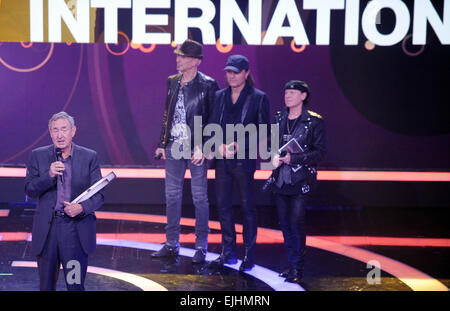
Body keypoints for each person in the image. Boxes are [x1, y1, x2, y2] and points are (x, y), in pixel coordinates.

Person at [153, 39, 219, 264]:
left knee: (200, 197)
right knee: (172, 195)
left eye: (182, 56)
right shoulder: (172, 81)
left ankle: (201, 247)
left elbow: (214, 119)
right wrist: (162, 142)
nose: (177, 59)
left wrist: (205, 147)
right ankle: (172, 243)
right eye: (177, 56)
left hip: (196, 147)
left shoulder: (209, 85)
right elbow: (167, 114)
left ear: (195, 61)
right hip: (174, 145)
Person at [24, 112, 104, 291]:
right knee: (46, 286)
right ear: (50, 133)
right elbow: (29, 189)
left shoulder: (89, 157)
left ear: (73, 131)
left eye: (64, 129)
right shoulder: (38, 156)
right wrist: (49, 175)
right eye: (55, 130)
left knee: (75, 285)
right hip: (48, 231)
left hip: (75, 232)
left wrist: (82, 208)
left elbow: (99, 195)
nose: (59, 135)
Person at [209, 54, 270, 272]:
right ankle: (228, 252)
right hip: (222, 160)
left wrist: (239, 145)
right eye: (228, 71)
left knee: (247, 207)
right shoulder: (219, 96)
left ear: (246, 73)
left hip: (243, 160)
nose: (231, 76)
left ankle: (249, 254)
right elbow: (212, 124)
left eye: (236, 72)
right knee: (223, 206)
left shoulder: (258, 97)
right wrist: (217, 146)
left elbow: (263, 132)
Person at [270, 80, 326, 284]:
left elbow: (319, 153)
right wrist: (273, 156)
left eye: (292, 93)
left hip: (301, 179)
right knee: (284, 223)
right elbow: (273, 144)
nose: (288, 96)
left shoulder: (314, 122)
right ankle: (291, 264)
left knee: (296, 222)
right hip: (281, 179)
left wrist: (293, 158)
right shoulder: (279, 118)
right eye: (286, 93)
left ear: (303, 96)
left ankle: (297, 267)